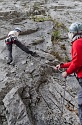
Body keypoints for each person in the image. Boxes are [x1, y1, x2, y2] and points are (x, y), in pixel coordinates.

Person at [54, 22, 82, 125]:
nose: (69, 34)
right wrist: (62, 65)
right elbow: (76, 60)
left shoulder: (77, 43)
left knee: (81, 103)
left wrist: (67, 72)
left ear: (75, 33)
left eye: (71, 32)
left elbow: (77, 62)